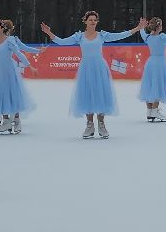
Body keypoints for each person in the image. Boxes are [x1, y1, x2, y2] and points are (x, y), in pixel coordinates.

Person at [41, 11, 143, 139]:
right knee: (87, 94)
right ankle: (89, 125)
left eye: (95, 20)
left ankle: (101, 124)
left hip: (99, 68)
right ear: (85, 21)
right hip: (86, 69)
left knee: (100, 94)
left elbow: (119, 35)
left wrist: (137, 28)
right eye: (90, 20)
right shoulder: (79, 36)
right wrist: (49, 33)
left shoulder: (102, 35)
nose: (93, 22)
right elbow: (62, 42)